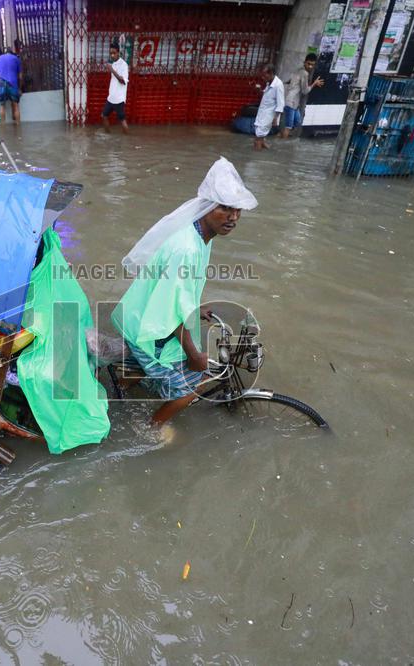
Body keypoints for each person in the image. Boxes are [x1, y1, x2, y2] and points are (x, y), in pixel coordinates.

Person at [113, 157, 258, 424]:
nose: (233, 217)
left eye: (237, 209)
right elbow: (173, 308)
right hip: (145, 327)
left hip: (136, 312)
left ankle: (121, 386)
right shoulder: (187, 248)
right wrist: (195, 357)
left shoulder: (200, 234)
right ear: (208, 207)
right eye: (225, 208)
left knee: (162, 361)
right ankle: (152, 428)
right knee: (189, 387)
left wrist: (195, 308)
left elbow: (179, 289)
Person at [281, 54, 323, 139]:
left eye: (312, 65)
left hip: (293, 102)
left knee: (297, 122)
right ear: (304, 63)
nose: (310, 66)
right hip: (291, 102)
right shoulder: (304, 73)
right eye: (308, 64)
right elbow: (305, 91)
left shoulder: (299, 71)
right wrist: (314, 83)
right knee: (288, 127)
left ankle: (281, 137)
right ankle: (282, 143)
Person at [254, 63, 284, 150]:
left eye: (264, 75)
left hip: (268, 116)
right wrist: (259, 90)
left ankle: (256, 159)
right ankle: (267, 153)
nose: (263, 78)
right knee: (261, 138)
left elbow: (280, 104)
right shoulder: (269, 83)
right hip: (262, 114)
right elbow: (267, 96)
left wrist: (275, 118)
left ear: (271, 73)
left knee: (258, 139)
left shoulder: (278, 85)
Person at [101, 43, 129, 134]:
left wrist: (112, 70)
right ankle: (108, 136)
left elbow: (123, 81)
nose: (112, 55)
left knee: (122, 120)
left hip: (119, 99)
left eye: (114, 53)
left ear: (118, 52)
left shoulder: (124, 65)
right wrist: (111, 68)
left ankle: (127, 139)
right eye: (111, 53)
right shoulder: (113, 63)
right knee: (104, 115)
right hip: (111, 98)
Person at [0, 46, 22, 124]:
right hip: (12, 84)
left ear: (5, 52)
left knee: (2, 106)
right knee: (16, 106)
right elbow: (20, 76)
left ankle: (3, 128)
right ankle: (18, 127)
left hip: (1, 83)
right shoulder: (16, 59)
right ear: (12, 52)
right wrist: (20, 89)